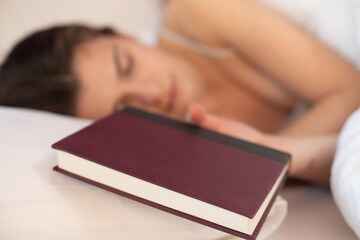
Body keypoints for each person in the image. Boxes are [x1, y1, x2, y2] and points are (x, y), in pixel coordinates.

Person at [1, 0, 360, 186]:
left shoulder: (196, 13)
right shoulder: (186, 152)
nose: (152, 92)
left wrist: (262, 164)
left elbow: (351, 88)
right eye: (123, 107)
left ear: (123, 35)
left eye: (127, 64)